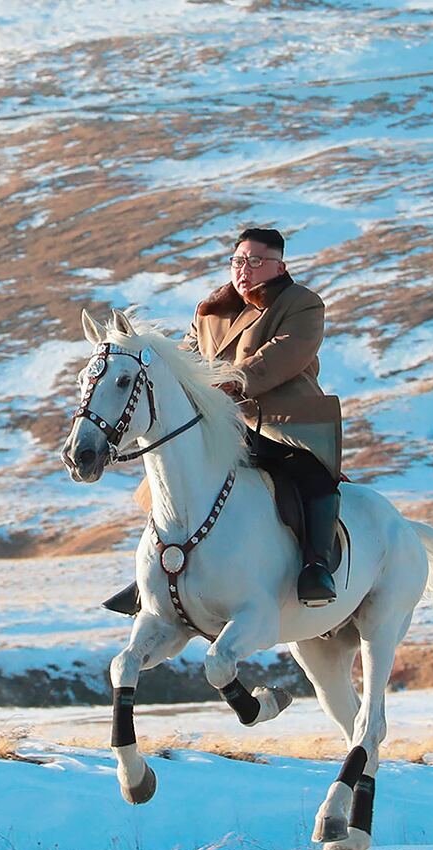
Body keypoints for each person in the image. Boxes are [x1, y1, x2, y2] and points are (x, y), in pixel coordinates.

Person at [104, 227, 343, 615]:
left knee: (312, 477)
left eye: (254, 262)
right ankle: (158, 572)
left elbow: (284, 354)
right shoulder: (209, 310)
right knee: (170, 479)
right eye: (237, 261)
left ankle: (316, 567)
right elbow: (187, 358)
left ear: (278, 266)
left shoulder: (302, 304)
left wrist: (232, 380)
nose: (243, 269)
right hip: (220, 421)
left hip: (280, 420)